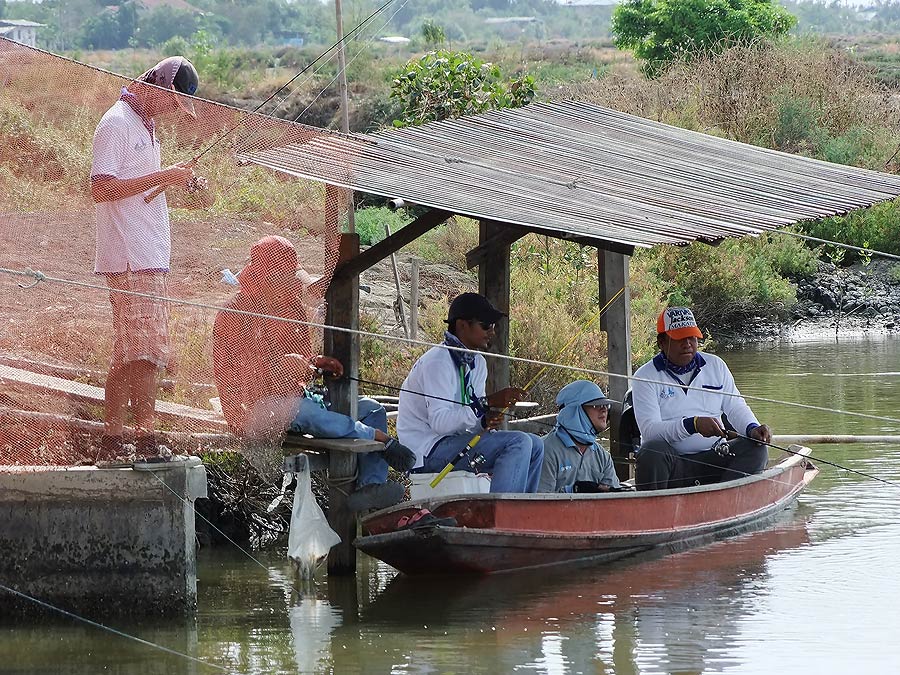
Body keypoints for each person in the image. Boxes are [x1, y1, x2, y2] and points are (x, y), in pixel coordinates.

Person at [212, 235, 416, 512]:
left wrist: (316, 363)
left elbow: (301, 366)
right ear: (267, 278)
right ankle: (382, 439)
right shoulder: (234, 313)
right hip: (256, 410)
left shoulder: (292, 307)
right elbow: (232, 375)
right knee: (307, 412)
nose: (292, 285)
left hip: (297, 399)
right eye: (285, 278)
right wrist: (281, 370)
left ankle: (370, 486)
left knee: (372, 409)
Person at [91, 56, 213, 461]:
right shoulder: (116, 123)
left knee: (132, 352)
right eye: (171, 102)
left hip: (148, 255)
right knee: (142, 355)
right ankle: (144, 441)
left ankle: (113, 441)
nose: (170, 111)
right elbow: (102, 189)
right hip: (129, 257)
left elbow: (136, 188)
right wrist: (164, 177)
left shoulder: (145, 124)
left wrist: (181, 180)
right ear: (157, 86)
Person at [397, 292, 544, 493]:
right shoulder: (437, 362)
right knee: (517, 443)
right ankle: (504, 513)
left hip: (454, 442)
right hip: (427, 450)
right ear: (462, 325)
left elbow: (470, 416)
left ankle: (522, 515)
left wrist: (483, 421)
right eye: (485, 325)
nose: (492, 332)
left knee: (536, 444)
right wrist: (487, 402)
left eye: (493, 326)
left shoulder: (477, 362)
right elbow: (440, 423)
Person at [631, 307, 772, 491]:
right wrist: (693, 425)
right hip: (673, 465)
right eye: (680, 338)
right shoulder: (644, 376)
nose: (688, 343)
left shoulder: (716, 365)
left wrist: (753, 428)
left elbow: (735, 405)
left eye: (692, 337)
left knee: (756, 449)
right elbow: (650, 432)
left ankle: (724, 500)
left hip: (717, 454)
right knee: (652, 451)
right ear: (661, 342)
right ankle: (657, 509)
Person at [538, 380, 622, 493]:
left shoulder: (602, 456)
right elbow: (539, 503)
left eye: (605, 405)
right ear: (573, 411)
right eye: (595, 405)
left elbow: (615, 500)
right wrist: (573, 490)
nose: (604, 409)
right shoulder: (544, 451)